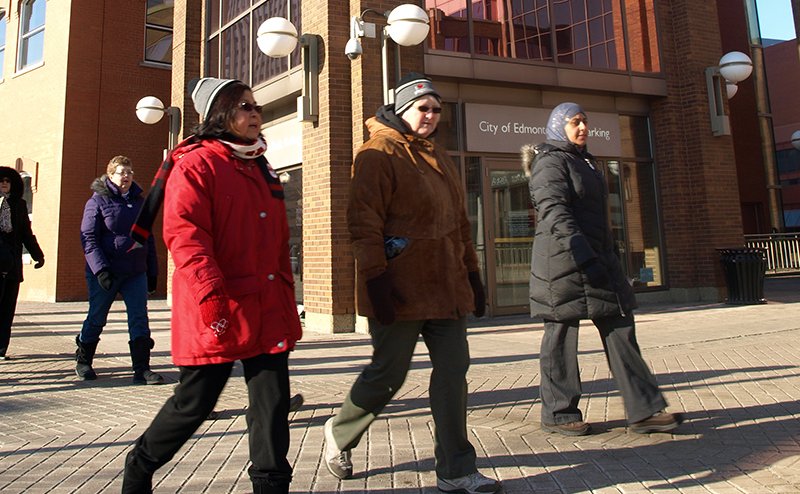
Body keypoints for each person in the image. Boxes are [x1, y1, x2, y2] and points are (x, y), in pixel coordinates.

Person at [122, 77, 302, 494]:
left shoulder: (260, 163)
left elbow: (275, 239)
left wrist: (284, 294)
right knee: (195, 403)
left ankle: (271, 485)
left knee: (272, 405)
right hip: (217, 305)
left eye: (256, 106)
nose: (255, 113)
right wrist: (210, 295)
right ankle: (141, 463)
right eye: (244, 106)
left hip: (266, 304)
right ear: (221, 114)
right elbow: (185, 235)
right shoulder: (196, 163)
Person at [323, 73, 500, 494]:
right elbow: (363, 224)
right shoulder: (376, 153)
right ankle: (341, 431)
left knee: (454, 371)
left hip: (446, 288)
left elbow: (459, 224)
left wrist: (473, 275)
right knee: (389, 374)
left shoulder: (438, 157)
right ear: (402, 110)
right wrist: (376, 280)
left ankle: (456, 469)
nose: (431, 116)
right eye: (423, 108)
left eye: (437, 109)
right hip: (399, 288)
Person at [522, 102, 682, 436]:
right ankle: (559, 414)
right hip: (564, 265)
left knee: (621, 326)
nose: (582, 128)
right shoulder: (549, 162)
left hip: (598, 262)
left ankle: (645, 410)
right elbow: (552, 210)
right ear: (557, 126)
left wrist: (605, 258)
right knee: (561, 336)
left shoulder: (587, 162)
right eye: (574, 122)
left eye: (585, 122)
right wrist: (581, 252)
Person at [77, 156, 163, 385]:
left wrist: (152, 271)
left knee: (139, 318)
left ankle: (142, 369)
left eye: (130, 172)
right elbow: (88, 238)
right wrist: (101, 270)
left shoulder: (139, 203)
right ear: (111, 176)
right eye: (122, 172)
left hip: (135, 271)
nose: (126, 176)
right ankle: (84, 360)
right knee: (97, 316)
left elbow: (148, 237)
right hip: (107, 272)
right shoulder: (97, 202)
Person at [0, 166, 44, 360]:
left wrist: (37, 254)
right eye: (1, 181)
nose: (4, 184)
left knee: (7, 308)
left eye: (7, 181)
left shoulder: (19, 204)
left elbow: (26, 233)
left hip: (12, 266)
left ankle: (1, 348)